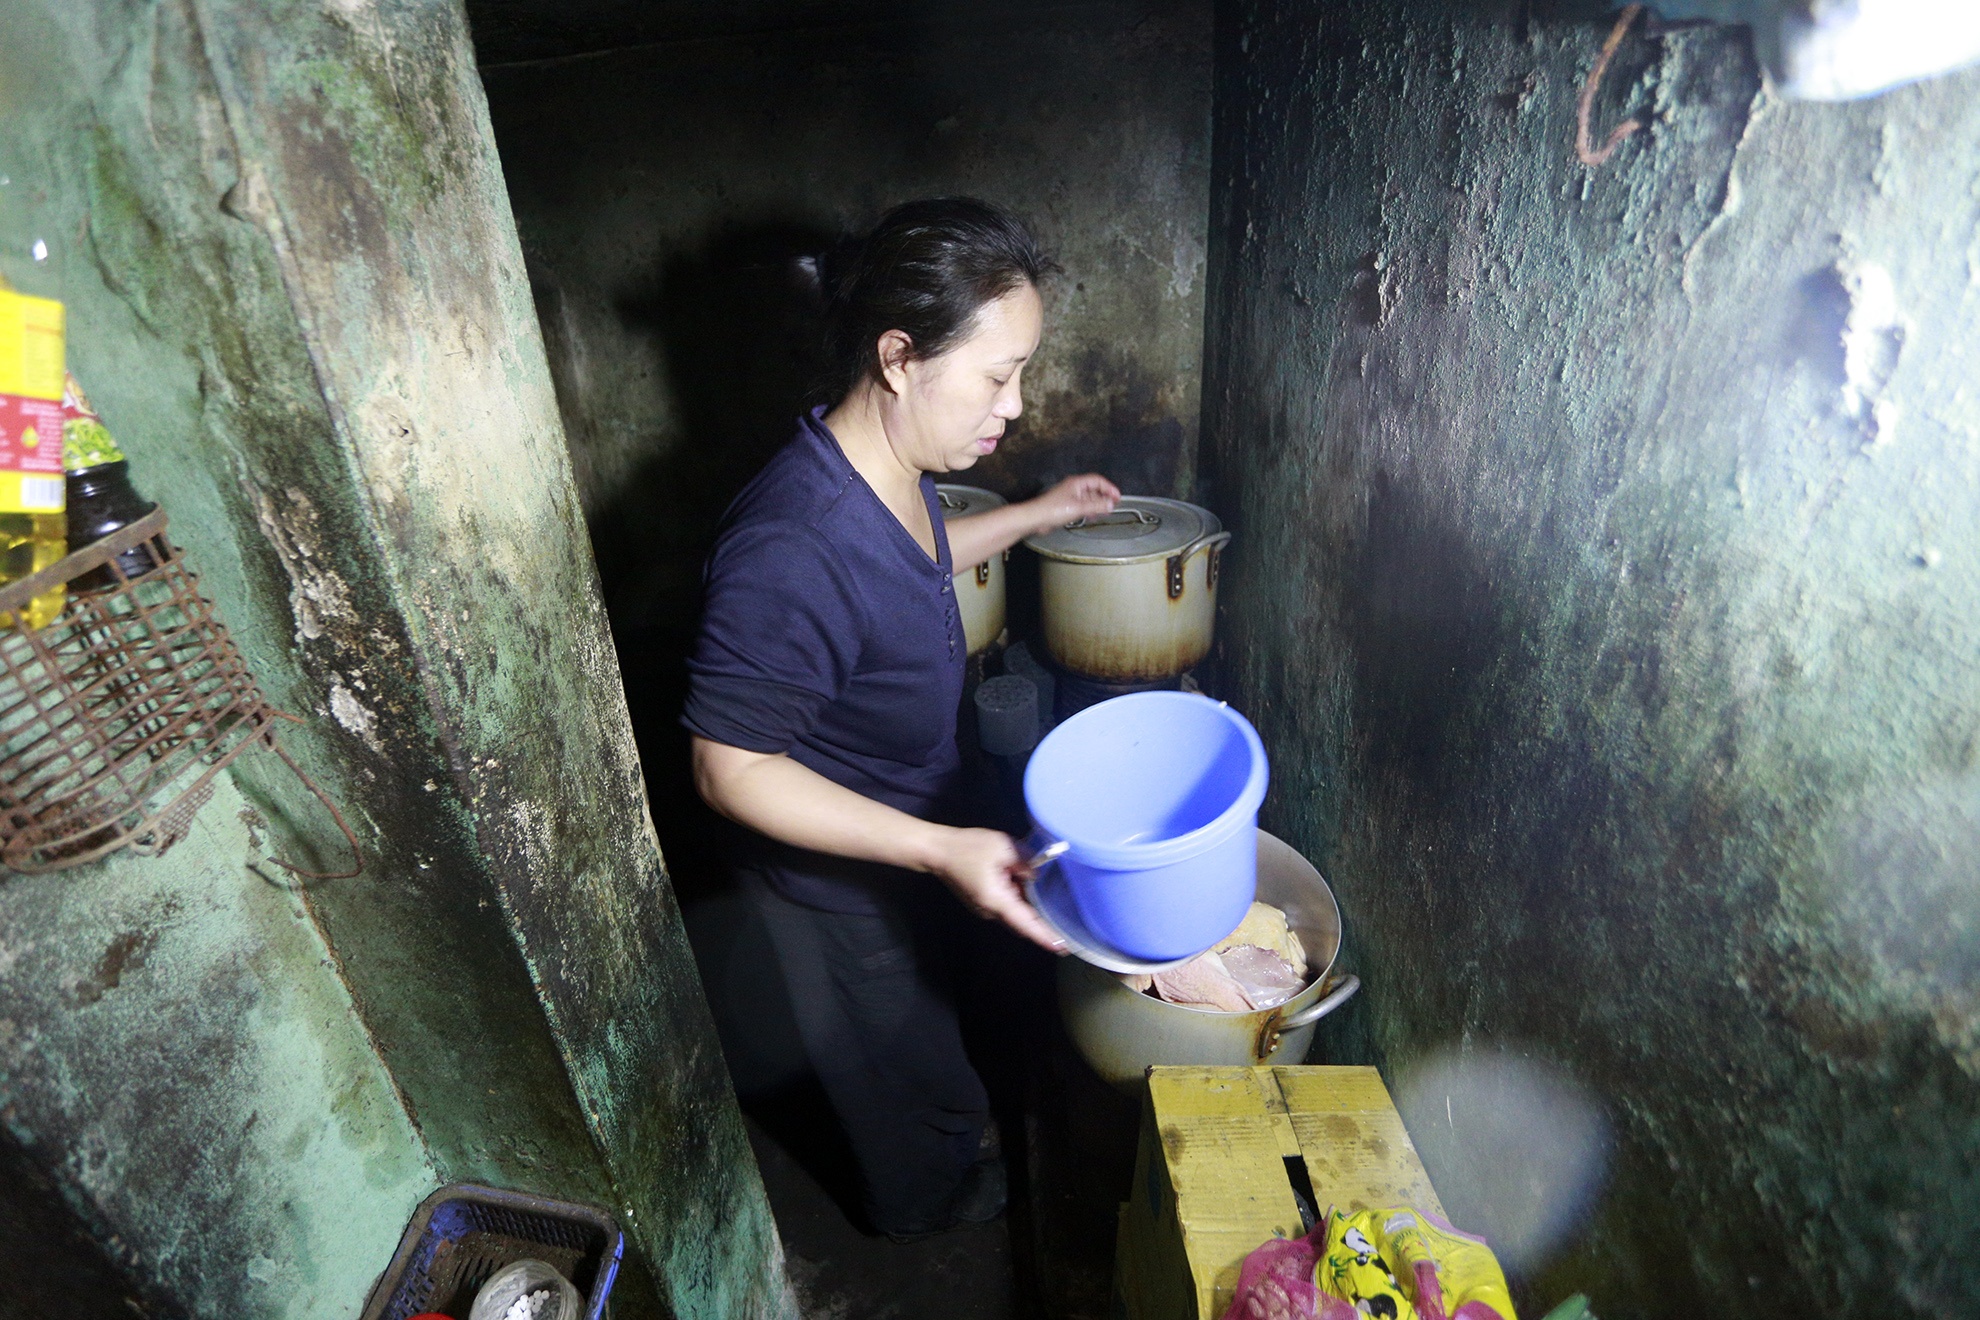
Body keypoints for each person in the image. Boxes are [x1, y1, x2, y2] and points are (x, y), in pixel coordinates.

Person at [683, 197, 1119, 1240]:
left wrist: (1038, 514)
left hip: (906, 830)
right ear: (898, 357)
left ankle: (945, 1138)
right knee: (905, 1076)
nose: (1016, 405)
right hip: (837, 887)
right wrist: (936, 848)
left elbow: (910, 566)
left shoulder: (883, 470)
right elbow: (729, 767)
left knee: (933, 1030)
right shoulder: (792, 548)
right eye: (998, 375)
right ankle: (925, 1210)